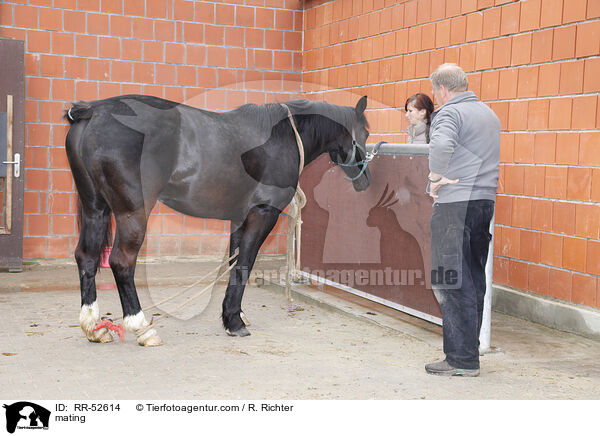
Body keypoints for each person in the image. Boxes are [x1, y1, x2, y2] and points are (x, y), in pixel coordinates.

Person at [425, 63, 500, 377]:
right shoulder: (489, 115)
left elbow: (441, 144)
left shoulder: (449, 113)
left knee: (451, 279)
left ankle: (460, 359)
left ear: (442, 90)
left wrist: (434, 178)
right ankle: (468, 352)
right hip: (484, 203)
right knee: (473, 276)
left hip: (455, 204)